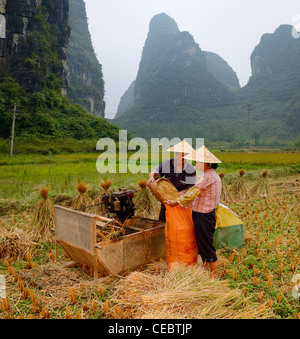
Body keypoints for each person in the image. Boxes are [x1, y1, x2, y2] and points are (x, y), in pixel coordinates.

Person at [165, 146, 222, 277]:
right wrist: (180, 195)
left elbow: (192, 194)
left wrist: (176, 202)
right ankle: (206, 270)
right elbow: (194, 190)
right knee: (203, 242)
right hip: (207, 214)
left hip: (203, 215)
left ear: (204, 163)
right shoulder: (212, 175)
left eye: (197, 162)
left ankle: (214, 276)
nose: (195, 164)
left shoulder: (206, 177)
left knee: (206, 244)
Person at [147, 140, 196, 221]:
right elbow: (154, 172)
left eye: (184, 155)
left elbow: (189, 189)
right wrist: (151, 177)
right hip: (166, 201)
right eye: (179, 154)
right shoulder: (167, 163)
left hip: (180, 202)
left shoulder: (191, 170)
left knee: (179, 225)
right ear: (176, 153)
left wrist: (175, 196)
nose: (181, 157)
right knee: (163, 223)